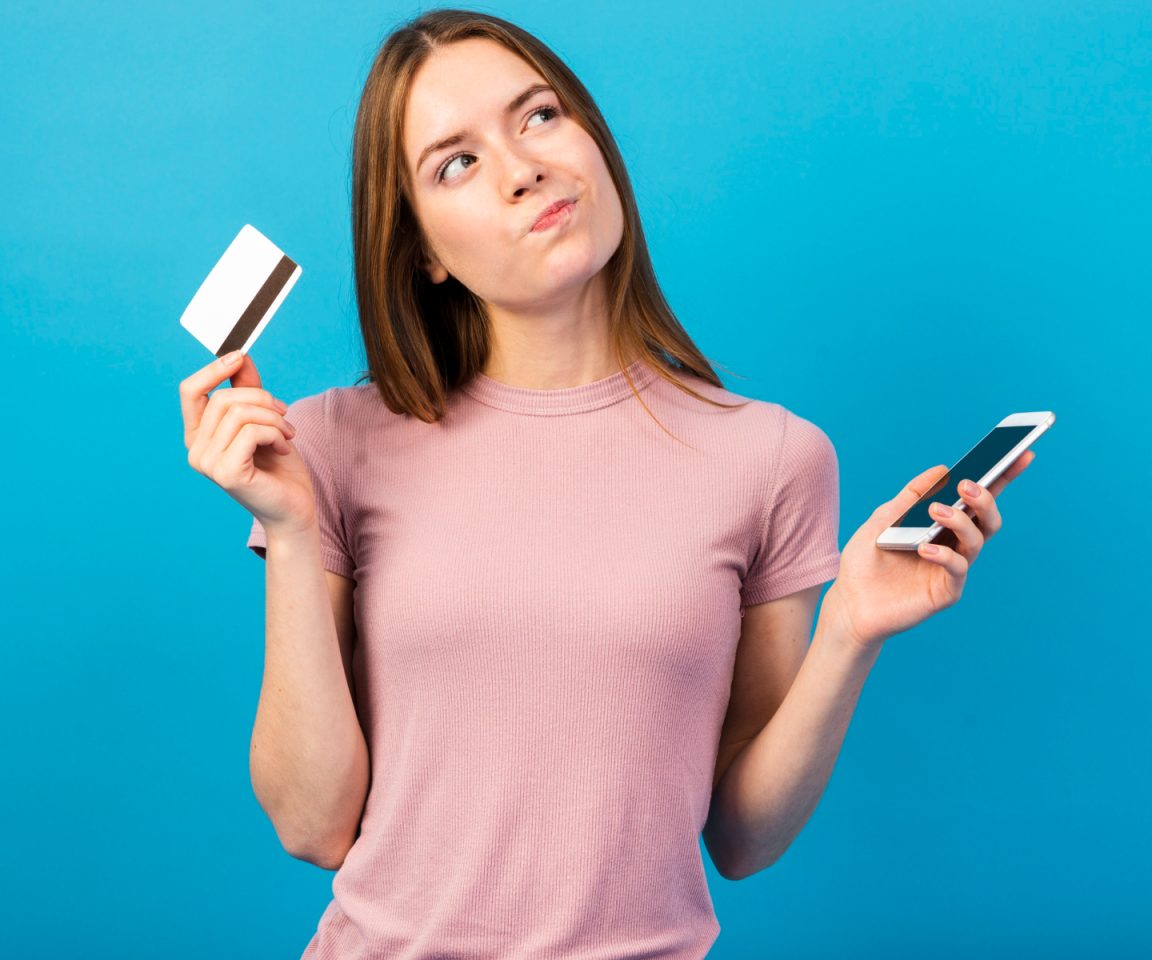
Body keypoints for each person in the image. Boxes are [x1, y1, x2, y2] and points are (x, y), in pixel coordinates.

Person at [178, 8, 1035, 959]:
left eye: (538, 116)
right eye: (455, 162)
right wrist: (293, 533)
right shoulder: (334, 442)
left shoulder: (774, 459)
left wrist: (849, 635)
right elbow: (311, 827)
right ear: (422, 249)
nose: (522, 167)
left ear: (592, 138)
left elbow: (743, 840)